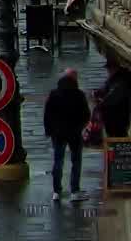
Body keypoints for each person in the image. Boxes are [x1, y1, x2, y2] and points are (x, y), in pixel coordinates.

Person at [46, 68, 91, 200]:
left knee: (58, 161)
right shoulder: (79, 94)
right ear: (74, 79)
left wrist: (49, 130)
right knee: (76, 161)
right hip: (74, 133)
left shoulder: (54, 94)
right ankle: (74, 191)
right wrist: (80, 127)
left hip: (58, 133)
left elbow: (47, 114)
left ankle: (56, 191)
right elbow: (86, 114)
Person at [102, 56, 131, 139]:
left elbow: (113, 97)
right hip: (116, 116)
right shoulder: (116, 79)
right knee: (118, 138)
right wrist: (100, 92)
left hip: (117, 118)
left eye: (109, 69)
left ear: (115, 68)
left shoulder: (120, 80)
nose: (108, 71)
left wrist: (101, 102)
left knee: (119, 137)